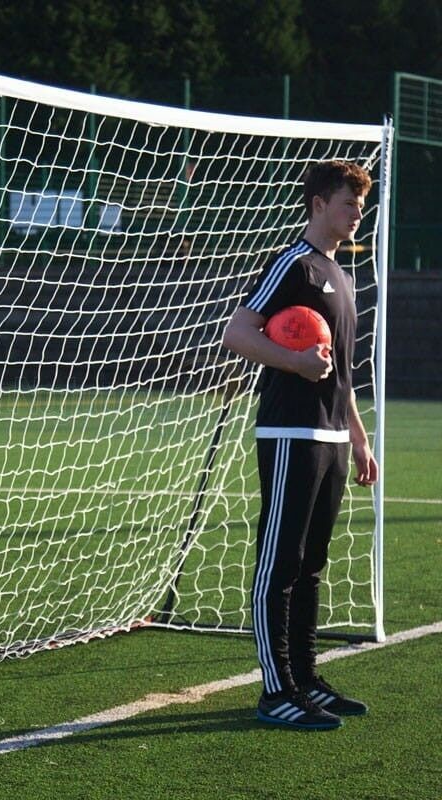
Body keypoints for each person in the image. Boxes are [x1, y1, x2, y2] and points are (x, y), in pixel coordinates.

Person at [222, 160, 379, 731]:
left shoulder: (342, 274)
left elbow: (339, 371)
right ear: (318, 204)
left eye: (360, 204)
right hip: (291, 432)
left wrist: (359, 439)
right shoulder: (292, 264)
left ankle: (307, 679)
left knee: (312, 565)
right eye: (348, 202)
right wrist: (292, 361)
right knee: (279, 562)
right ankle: (274, 690)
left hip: (333, 436)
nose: (358, 213)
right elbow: (237, 334)